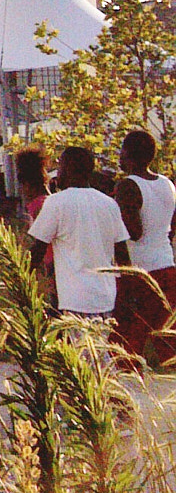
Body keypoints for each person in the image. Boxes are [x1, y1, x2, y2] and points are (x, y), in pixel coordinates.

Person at [28, 145, 130, 320]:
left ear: (67, 169)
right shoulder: (108, 203)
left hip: (74, 301)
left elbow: (38, 251)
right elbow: (123, 255)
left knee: (80, 347)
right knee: (100, 348)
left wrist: (18, 274)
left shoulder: (56, 203)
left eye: (59, 167)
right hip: (106, 299)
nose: (57, 173)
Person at [114, 131, 176, 364]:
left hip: (139, 273)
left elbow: (133, 233)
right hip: (167, 266)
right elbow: (171, 226)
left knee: (126, 344)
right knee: (167, 343)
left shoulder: (128, 186)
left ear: (128, 153)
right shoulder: (167, 184)